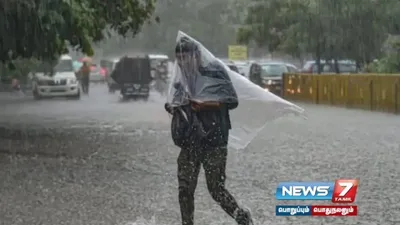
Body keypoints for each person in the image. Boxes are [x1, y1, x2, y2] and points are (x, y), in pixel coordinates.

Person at [165, 37, 253, 225]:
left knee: (216, 189)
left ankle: (242, 217)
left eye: (185, 57)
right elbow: (178, 101)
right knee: (185, 189)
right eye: (178, 58)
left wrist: (206, 104)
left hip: (215, 139)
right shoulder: (181, 77)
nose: (181, 62)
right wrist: (173, 107)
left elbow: (232, 100)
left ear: (196, 56)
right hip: (190, 140)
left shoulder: (214, 72)